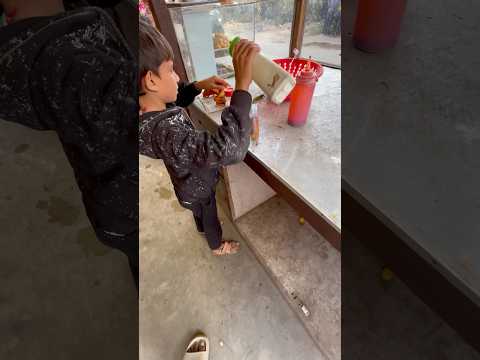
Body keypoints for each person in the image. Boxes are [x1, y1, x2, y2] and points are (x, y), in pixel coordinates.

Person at [0, 0, 139, 287]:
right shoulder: (79, 65)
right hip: (126, 216)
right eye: (170, 70)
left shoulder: (74, 57)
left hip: (116, 215)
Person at [139, 17, 259, 256]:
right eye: (171, 70)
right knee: (209, 214)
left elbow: (173, 99)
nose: (176, 77)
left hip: (185, 185)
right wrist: (242, 88)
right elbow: (231, 148)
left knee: (198, 211)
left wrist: (196, 86)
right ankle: (216, 245)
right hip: (198, 188)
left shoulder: (145, 109)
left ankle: (201, 227)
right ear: (151, 80)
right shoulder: (166, 133)